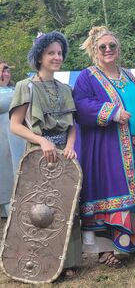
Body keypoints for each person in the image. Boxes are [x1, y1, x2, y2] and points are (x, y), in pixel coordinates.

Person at [73, 26, 135, 268]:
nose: (108, 50)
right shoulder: (87, 77)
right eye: (103, 47)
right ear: (94, 50)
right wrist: (112, 112)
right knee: (108, 195)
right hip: (107, 148)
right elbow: (81, 106)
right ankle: (104, 249)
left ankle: (134, 243)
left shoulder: (129, 76)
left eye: (113, 46)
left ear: (119, 49)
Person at [9, 31, 82, 277]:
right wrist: (41, 141)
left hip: (65, 154)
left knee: (65, 208)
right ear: (39, 56)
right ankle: (35, 263)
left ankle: (67, 263)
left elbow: (72, 126)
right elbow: (15, 125)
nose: (57, 57)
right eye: (51, 52)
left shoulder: (65, 89)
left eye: (60, 53)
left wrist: (70, 145)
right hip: (37, 156)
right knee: (38, 210)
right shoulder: (25, 87)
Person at [0, 61, 25, 218]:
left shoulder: (16, 89)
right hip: (2, 140)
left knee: (17, 171)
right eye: (2, 71)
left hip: (18, 140)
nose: (6, 73)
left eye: (7, 70)